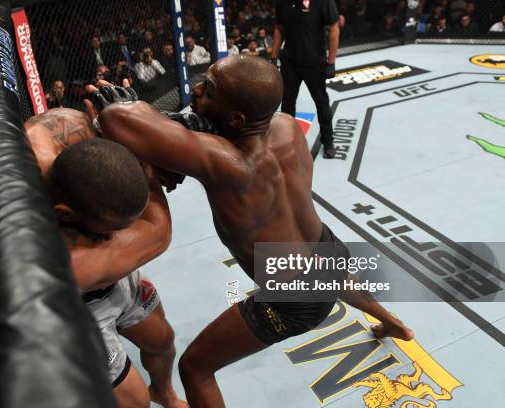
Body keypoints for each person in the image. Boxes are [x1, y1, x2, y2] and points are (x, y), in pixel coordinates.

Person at [86, 56, 414, 407]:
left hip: (293, 298)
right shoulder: (287, 125)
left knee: (195, 367)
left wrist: (127, 110)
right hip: (324, 245)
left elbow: (118, 120)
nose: (196, 90)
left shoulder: (227, 163)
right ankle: (395, 324)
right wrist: (194, 128)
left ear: (237, 118)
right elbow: (204, 138)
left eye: (209, 89)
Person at [24, 108, 187, 408]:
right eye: (113, 228)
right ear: (65, 213)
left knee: (162, 342)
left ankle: (164, 392)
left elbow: (42, 128)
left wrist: (115, 123)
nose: (124, 232)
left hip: (117, 280)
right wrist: (146, 158)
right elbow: (158, 230)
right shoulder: (72, 265)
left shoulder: (47, 140)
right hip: (78, 311)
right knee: (134, 402)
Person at [271, 0, 340, 159]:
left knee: (321, 102)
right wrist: (274, 57)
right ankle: (287, 142)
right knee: (287, 103)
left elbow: (334, 28)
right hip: (290, 62)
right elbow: (278, 28)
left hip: (315, 62)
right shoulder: (283, 3)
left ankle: (328, 141)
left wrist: (331, 61)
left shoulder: (323, 2)